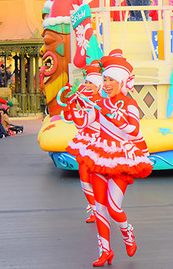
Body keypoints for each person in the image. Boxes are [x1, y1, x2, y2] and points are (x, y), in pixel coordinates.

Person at [81, 49, 153, 266]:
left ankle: (127, 231)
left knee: (113, 207)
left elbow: (133, 128)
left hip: (122, 158)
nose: (108, 83)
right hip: (101, 156)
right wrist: (76, 108)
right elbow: (83, 121)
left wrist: (118, 119)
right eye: (105, 79)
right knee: (100, 207)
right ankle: (105, 251)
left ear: (122, 81)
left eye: (112, 79)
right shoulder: (101, 103)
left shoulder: (129, 104)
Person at [62, 60, 106, 224]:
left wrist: (74, 106)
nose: (86, 85)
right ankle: (95, 209)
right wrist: (72, 102)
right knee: (84, 177)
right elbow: (74, 119)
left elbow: (81, 122)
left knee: (95, 177)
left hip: (96, 143)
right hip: (85, 141)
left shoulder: (98, 103)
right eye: (86, 82)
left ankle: (101, 208)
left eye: (90, 83)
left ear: (97, 85)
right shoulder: (85, 99)